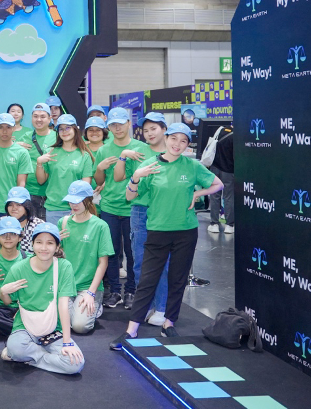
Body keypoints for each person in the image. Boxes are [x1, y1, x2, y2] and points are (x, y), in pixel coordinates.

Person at [110, 124, 223, 349]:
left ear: (187, 144)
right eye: (174, 139)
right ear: (167, 138)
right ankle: (131, 329)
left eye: (183, 141)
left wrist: (197, 193)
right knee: (147, 280)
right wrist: (136, 177)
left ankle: (169, 323)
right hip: (158, 231)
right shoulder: (150, 165)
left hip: (186, 231)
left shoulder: (192, 166)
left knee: (178, 279)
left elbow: (217, 184)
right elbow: (130, 197)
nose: (177, 144)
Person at [1, 223, 84, 375]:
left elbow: (63, 306)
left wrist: (67, 342)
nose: (44, 248)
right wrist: (3, 292)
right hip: (25, 326)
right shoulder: (18, 269)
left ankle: (27, 357)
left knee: (75, 364)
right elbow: (7, 302)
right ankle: (25, 354)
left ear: (57, 247)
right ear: (32, 244)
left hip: (54, 328)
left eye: (50, 243)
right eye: (39, 242)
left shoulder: (64, 267)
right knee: (16, 348)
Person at [114, 112, 169, 323]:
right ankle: (145, 305)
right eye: (145, 130)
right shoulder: (138, 153)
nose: (149, 134)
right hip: (139, 211)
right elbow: (123, 179)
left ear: (164, 129)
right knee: (139, 262)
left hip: (165, 213)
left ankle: (161, 308)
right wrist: (123, 156)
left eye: (153, 129)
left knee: (163, 263)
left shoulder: (173, 152)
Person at [93, 107, 140, 308]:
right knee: (110, 252)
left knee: (132, 252)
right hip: (109, 207)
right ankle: (114, 291)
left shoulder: (140, 148)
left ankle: (131, 290)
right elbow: (99, 181)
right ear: (108, 127)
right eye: (113, 125)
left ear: (129, 123)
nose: (117, 128)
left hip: (133, 208)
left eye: (121, 124)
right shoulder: (103, 150)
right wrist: (99, 168)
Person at [57, 181, 113, 334]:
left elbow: (103, 263)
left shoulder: (100, 226)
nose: (73, 205)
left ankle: (94, 305)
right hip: (66, 285)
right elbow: (57, 257)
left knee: (80, 327)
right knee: (56, 322)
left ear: (88, 200)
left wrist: (91, 293)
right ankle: (80, 309)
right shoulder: (63, 222)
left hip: (88, 286)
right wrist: (55, 244)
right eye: (71, 200)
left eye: (78, 201)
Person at [36, 114, 94, 226]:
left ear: (75, 129)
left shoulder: (84, 155)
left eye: (68, 128)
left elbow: (86, 185)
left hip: (76, 209)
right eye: (61, 129)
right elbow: (41, 181)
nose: (64, 132)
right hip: (53, 208)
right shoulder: (50, 152)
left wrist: (76, 207)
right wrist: (39, 163)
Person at [18, 103, 56, 220]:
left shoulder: (58, 137)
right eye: (35, 116)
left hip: (51, 194)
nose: (39, 119)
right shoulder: (25, 137)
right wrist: (14, 145)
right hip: (29, 193)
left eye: (43, 116)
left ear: (50, 118)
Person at [0, 186, 46, 254]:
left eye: (18, 205)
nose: (14, 208)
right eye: (10, 205)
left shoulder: (38, 225)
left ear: (27, 206)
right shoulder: (1, 221)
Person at [208, 125, 234, 234]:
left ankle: (214, 224)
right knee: (229, 197)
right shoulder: (236, 136)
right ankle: (229, 225)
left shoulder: (220, 130)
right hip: (229, 170)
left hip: (215, 168)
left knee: (214, 196)